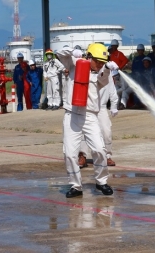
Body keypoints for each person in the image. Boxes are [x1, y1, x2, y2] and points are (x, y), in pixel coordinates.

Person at [56, 43, 119, 198]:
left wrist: (107, 68)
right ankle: (76, 186)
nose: (99, 65)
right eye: (97, 61)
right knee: (70, 153)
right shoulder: (75, 63)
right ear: (89, 56)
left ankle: (101, 182)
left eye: (102, 62)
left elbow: (102, 81)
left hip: (90, 116)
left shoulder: (101, 72)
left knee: (99, 149)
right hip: (72, 115)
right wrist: (73, 51)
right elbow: (59, 53)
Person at [78, 71, 119, 167]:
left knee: (106, 131)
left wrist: (114, 106)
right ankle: (82, 156)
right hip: (88, 107)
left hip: (101, 107)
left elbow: (112, 90)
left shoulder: (107, 74)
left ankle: (107, 156)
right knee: (84, 132)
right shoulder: (86, 72)